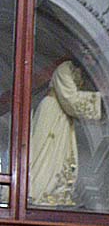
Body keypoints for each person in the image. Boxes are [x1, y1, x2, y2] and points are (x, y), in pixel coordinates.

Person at [28, 60, 102, 207]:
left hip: (62, 115)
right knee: (46, 152)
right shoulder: (65, 68)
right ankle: (38, 190)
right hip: (53, 111)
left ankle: (52, 192)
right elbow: (69, 97)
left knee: (59, 155)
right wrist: (99, 99)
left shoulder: (80, 73)